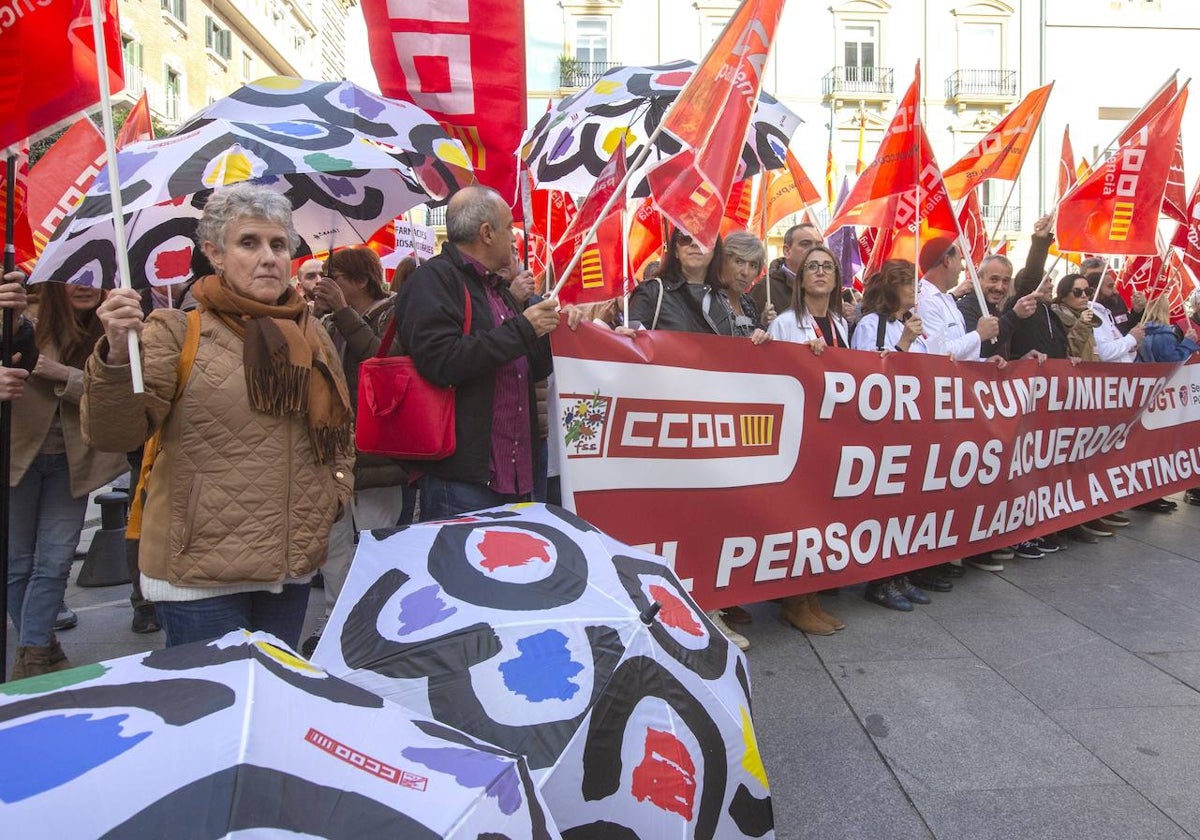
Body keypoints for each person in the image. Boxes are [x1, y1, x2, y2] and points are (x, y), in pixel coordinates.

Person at [83, 184, 355, 649]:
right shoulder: (174, 330)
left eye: (277, 244)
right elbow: (115, 431)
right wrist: (114, 353)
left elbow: (339, 433)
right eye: (248, 243)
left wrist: (335, 493)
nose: (268, 257)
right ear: (215, 253)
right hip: (200, 576)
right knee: (213, 713)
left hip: (290, 567)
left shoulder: (313, 335)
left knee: (275, 706)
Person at [396, 185, 559, 520]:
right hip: (461, 482)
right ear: (486, 233)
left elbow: (535, 368)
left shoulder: (497, 289)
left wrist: (551, 331)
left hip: (517, 474)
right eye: (509, 227)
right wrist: (523, 329)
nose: (514, 238)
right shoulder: (433, 280)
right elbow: (442, 361)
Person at [8, 282, 129, 679]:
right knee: (17, 564)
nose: (85, 286)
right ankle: (42, 646)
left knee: (55, 560)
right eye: (75, 275)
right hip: (16, 461)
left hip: (70, 465)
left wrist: (58, 372)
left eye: (95, 277)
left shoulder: (114, 328)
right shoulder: (22, 317)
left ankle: (33, 656)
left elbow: (117, 393)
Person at [304, 245, 407, 657]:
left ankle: (374, 620)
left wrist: (344, 312)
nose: (323, 284)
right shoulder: (324, 319)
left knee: (375, 537)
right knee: (333, 540)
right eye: (319, 277)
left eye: (335, 277)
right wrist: (312, 319)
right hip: (334, 444)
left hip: (378, 446)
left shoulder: (392, 313)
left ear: (361, 280)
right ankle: (334, 619)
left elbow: (386, 361)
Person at [847, 260, 942, 610]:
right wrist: (903, 342)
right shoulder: (873, 325)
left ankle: (901, 572)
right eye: (908, 285)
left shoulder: (910, 326)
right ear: (892, 288)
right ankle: (880, 580)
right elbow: (868, 373)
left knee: (906, 506)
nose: (915, 292)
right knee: (883, 507)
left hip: (912, 427)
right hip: (883, 431)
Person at [917, 238, 999, 359]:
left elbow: (958, 356)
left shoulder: (946, 299)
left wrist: (984, 362)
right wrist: (979, 334)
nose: (962, 268)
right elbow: (939, 353)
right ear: (947, 260)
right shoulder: (925, 300)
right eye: (960, 260)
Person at [628, 228, 722, 332]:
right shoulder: (652, 293)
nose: (695, 244)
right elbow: (632, 342)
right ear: (676, 251)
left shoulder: (727, 299)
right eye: (685, 237)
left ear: (715, 250)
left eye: (704, 238)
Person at [768, 243, 851, 350]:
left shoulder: (841, 323)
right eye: (812, 266)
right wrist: (802, 356)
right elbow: (771, 365)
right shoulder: (782, 324)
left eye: (828, 266)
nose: (820, 272)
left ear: (836, 280)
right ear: (801, 279)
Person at [706, 230, 773, 341]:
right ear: (723, 261)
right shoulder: (708, 299)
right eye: (739, 261)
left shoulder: (749, 304)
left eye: (753, 265)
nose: (745, 272)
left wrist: (762, 325)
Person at [750, 222, 820, 317]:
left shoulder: (825, 286)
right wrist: (763, 323)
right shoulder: (766, 289)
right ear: (787, 251)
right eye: (806, 244)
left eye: (819, 245)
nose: (814, 250)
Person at [1085, 257, 1144, 336]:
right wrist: (1129, 340)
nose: (1115, 291)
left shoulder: (1116, 300)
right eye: (1110, 286)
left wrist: (1137, 312)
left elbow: (1128, 325)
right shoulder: (1085, 311)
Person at [1050, 274, 1099, 362]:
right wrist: (1082, 325)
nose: (1084, 296)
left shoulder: (1085, 316)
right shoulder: (1055, 318)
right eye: (1077, 292)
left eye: (1088, 291)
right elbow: (1068, 352)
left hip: (1090, 373)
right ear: (1063, 295)